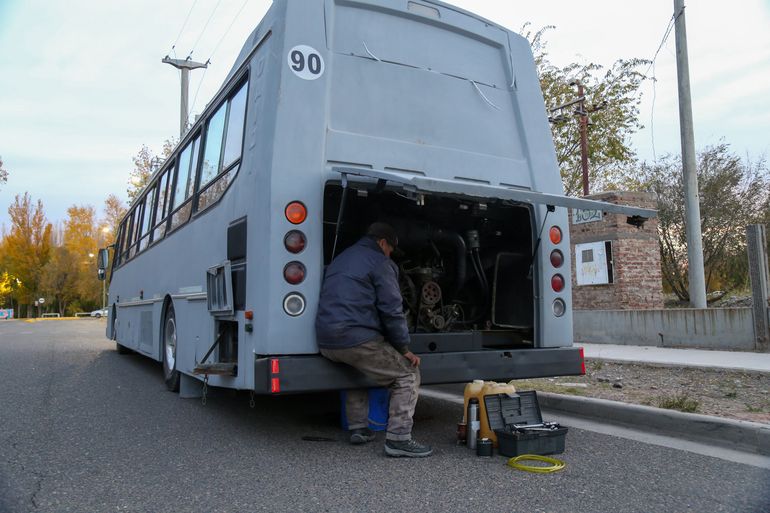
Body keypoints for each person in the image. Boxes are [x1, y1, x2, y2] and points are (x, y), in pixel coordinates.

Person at [315, 222, 432, 458]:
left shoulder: (341, 258)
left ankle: (359, 427)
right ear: (382, 243)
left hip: (327, 339)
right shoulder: (380, 262)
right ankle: (399, 439)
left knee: (358, 368)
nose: (390, 255)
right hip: (355, 336)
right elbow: (391, 309)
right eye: (390, 250)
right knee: (407, 374)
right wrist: (403, 348)